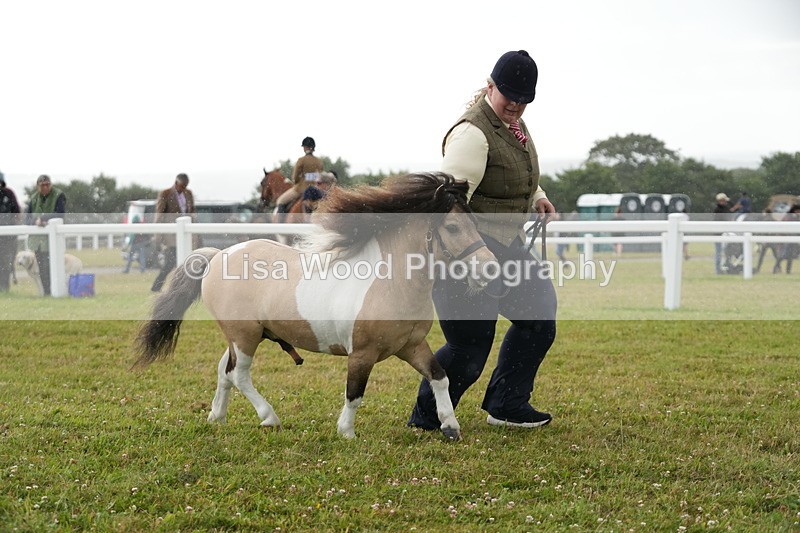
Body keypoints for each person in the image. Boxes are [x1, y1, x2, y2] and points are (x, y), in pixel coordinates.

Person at [408, 49, 558, 430]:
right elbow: (448, 202)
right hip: (466, 255)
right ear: (490, 86)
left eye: (524, 99)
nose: (517, 105)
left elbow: (515, 172)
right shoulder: (472, 135)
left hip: (506, 246)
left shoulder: (512, 125)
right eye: (510, 96)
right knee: (470, 347)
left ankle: (507, 404)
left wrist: (537, 197)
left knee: (539, 317)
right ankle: (426, 417)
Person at [151, 173, 195, 292]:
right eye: (182, 186)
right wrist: (158, 235)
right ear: (176, 183)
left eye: (185, 186)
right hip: (171, 236)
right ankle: (157, 286)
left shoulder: (188, 194)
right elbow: (160, 215)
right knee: (170, 263)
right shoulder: (165, 194)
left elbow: (191, 211)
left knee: (184, 263)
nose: (183, 188)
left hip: (187, 233)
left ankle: (178, 287)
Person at [25, 175, 66, 296]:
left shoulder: (58, 195)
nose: (45, 187)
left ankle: (56, 291)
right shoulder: (33, 198)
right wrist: (36, 221)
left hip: (52, 240)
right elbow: (27, 219)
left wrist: (43, 218)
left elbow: (60, 214)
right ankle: (47, 293)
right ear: (38, 186)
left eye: (47, 185)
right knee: (42, 268)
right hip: (38, 241)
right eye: (42, 185)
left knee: (53, 266)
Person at [274, 137, 324, 216]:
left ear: (305, 147)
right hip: (316, 191)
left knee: (280, 201)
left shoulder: (301, 160)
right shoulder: (319, 161)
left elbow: (295, 177)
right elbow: (320, 177)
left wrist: (296, 182)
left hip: (301, 190)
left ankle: (281, 222)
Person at [0, 175, 21, 291]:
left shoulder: (9, 194)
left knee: (6, 261)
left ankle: (4, 286)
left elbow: (16, 212)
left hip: (8, 236)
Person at [773, 204, 800, 274]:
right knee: (784, 255)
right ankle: (776, 268)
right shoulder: (788, 217)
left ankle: (787, 271)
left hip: (792, 239)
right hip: (786, 238)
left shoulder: (794, 217)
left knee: (789, 256)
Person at [712, 192, 732, 274]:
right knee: (718, 252)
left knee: (726, 251)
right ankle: (718, 269)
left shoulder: (725, 209)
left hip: (725, 233)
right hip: (719, 234)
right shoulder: (718, 210)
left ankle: (726, 267)